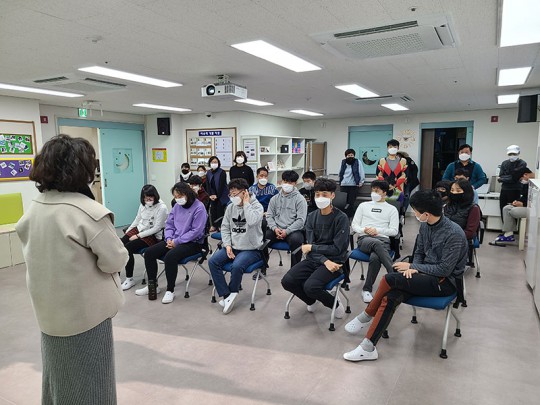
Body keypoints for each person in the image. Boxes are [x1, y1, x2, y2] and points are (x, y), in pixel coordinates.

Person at [16, 134, 128, 404]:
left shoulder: (36, 207)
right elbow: (115, 261)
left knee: (58, 378)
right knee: (91, 386)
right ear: (82, 169)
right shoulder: (87, 212)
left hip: (49, 312)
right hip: (85, 314)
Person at [343, 190, 468, 362]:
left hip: (445, 282)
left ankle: (367, 314)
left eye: (415, 211)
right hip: (423, 276)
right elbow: (419, 252)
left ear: (426, 214)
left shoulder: (454, 233)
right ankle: (367, 348)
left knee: (389, 278)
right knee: (391, 297)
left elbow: (445, 269)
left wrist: (413, 267)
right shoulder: (425, 225)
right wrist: (414, 269)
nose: (414, 214)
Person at [281, 178, 350, 318]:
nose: (320, 198)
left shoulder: (341, 218)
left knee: (310, 286)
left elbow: (337, 249)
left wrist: (313, 248)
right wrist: (323, 260)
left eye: (324, 194)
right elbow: (308, 248)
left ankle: (334, 304)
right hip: (317, 260)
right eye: (317, 194)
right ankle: (310, 300)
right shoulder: (311, 217)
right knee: (287, 281)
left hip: (335, 262)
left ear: (332, 195)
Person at [136, 182, 207, 304]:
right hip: (173, 239)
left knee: (170, 256)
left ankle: (170, 290)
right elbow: (169, 224)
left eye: (180, 196)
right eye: (176, 196)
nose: (178, 199)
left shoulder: (199, 207)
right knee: (149, 252)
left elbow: (196, 231)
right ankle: (153, 286)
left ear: (188, 194)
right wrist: (169, 238)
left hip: (193, 243)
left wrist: (176, 242)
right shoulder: (177, 206)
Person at [209, 178, 264, 314]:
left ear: (245, 192)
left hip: (252, 249)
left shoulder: (257, 206)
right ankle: (227, 295)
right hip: (233, 246)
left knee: (237, 265)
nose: (232, 197)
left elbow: (251, 221)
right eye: (231, 194)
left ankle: (233, 291)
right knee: (213, 261)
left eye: (235, 194)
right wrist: (227, 245)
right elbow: (225, 228)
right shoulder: (230, 207)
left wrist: (246, 204)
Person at [351, 180, 399, 303]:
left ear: (384, 193)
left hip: (383, 240)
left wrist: (377, 230)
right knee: (376, 244)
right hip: (365, 239)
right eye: (372, 190)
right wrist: (364, 230)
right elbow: (354, 225)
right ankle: (394, 274)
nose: (373, 193)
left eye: (377, 191)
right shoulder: (363, 206)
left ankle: (366, 290)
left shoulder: (392, 209)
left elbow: (394, 231)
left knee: (375, 258)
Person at [121, 185, 168, 290]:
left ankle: (129, 279)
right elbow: (137, 220)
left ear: (155, 196)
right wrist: (128, 233)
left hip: (153, 235)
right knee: (120, 244)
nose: (148, 200)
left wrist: (138, 236)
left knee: (128, 248)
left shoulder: (162, 208)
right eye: (145, 198)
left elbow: (156, 228)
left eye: (150, 198)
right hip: (140, 228)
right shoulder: (143, 204)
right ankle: (116, 275)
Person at [266, 170, 308, 268]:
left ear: (295, 183)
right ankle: (263, 266)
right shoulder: (274, 198)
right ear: (281, 181)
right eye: (285, 181)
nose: (287, 184)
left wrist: (287, 231)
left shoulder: (300, 199)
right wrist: (274, 228)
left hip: (293, 230)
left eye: (290, 182)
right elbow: (269, 216)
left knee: (296, 240)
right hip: (276, 229)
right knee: (262, 237)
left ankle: (294, 270)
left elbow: (301, 221)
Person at [493, 167, 534, 243]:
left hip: (534, 209)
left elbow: (535, 201)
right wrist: (517, 201)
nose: (521, 181)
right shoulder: (527, 183)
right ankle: (509, 234)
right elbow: (524, 197)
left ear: (525, 175)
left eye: (521, 179)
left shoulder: (536, 184)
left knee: (513, 211)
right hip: (527, 206)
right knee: (506, 208)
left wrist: (523, 204)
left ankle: (509, 234)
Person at [498, 145, 528, 219]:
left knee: (514, 211)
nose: (512, 156)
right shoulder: (504, 163)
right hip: (504, 190)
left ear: (518, 153)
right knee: (503, 210)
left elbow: (514, 178)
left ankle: (514, 227)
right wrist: (508, 177)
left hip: (516, 190)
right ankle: (505, 226)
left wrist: (503, 179)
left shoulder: (522, 163)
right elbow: (500, 176)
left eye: (514, 154)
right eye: (510, 154)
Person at [339, 148, 365, 217]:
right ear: (346, 156)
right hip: (343, 185)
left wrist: (361, 181)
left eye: (352, 155)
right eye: (348, 155)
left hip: (353, 185)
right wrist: (340, 181)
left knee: (351, 202)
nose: (350, 156)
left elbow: (361, 172)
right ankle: (343, 216)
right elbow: (340, 172)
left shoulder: (357, 162)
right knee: (343, 202)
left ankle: (350, 216)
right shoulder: (343, 162)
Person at [206, 156, 229, 231]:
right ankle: (213, 225)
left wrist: (217, 196)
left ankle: (220, 225)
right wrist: (210, 195)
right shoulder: (208, 173)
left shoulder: (222, 172)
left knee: (220, 210)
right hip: (212, 195)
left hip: (221, 195)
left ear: (218, 163)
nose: (214, 163)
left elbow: (222, 185)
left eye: (215, 162)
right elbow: (207, 185)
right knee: (212, 210)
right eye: (212, 162)